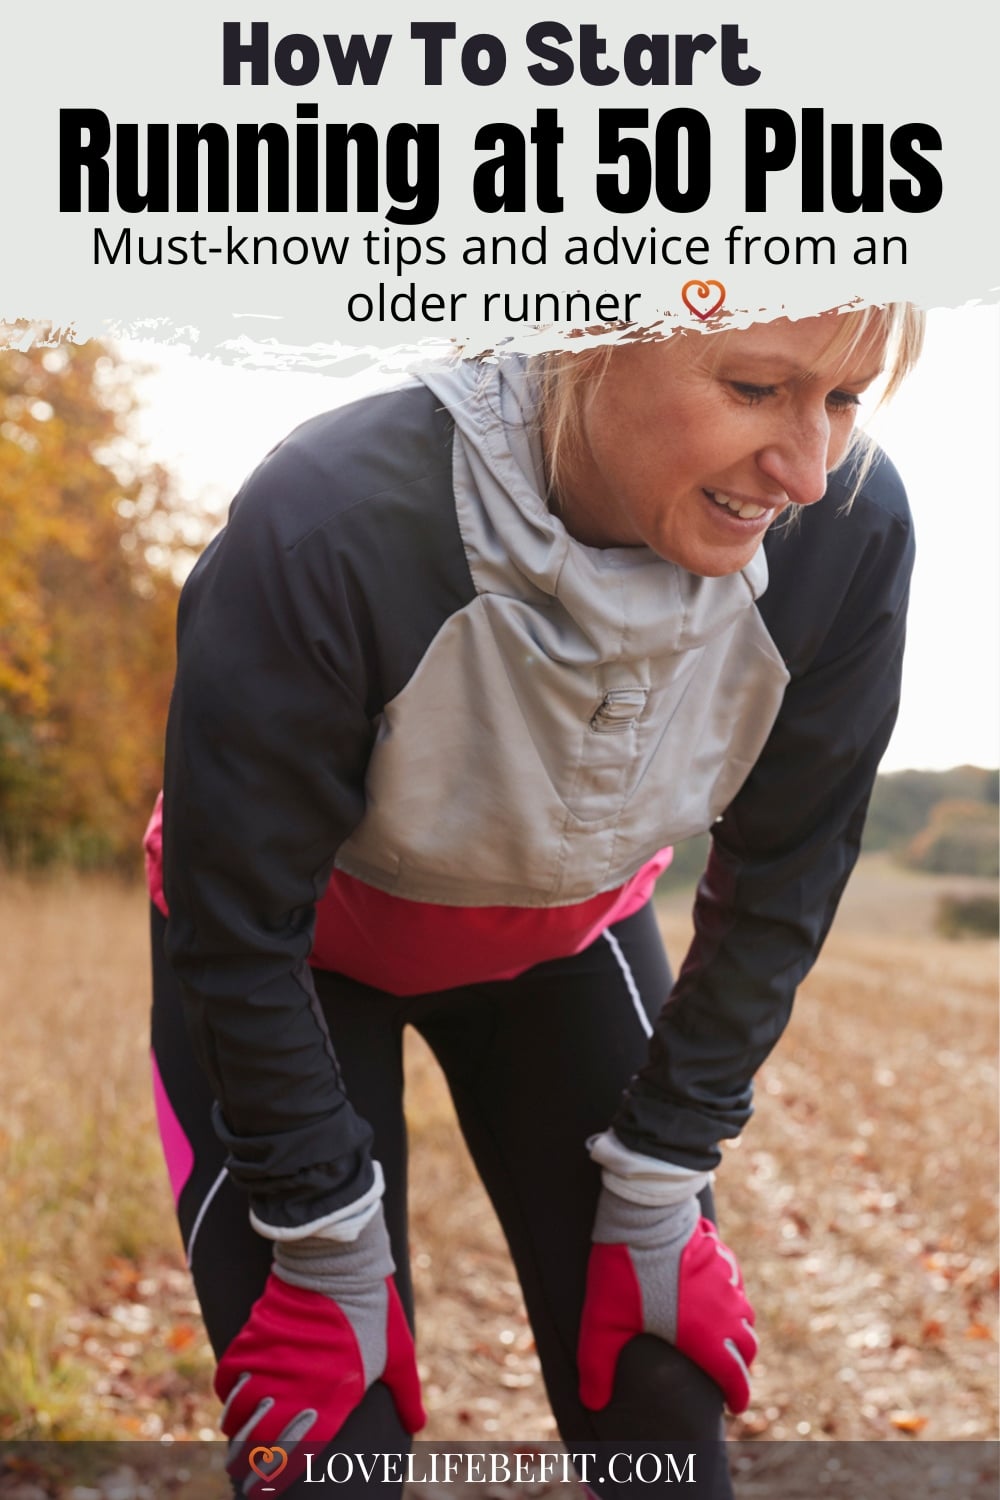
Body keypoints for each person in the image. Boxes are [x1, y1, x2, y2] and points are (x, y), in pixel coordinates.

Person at [146, 305, 923, 1498]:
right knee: (326, 1448)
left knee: (661, 1406)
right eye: (757, 388)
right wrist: (318, 1239)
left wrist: (667, 1173)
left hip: (566, 947)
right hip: (289, 960)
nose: (809, 471)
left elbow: (784, 877)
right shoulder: (329, 516)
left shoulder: (850, 529)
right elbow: (237, 924)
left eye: (845, 397)